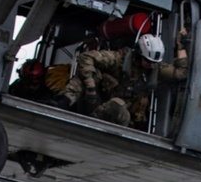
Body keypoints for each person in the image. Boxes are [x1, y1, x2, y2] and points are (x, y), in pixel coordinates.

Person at [59, 30, 188, 129]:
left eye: (154, 62)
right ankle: (62, 102)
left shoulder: (156, 70)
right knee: (91, 74)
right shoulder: (119, 59)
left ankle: (85, 124)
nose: (151, 65)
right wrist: (90, 85)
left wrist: (180, 47)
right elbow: (86, 57)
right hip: (96, 102)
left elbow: (181, 73)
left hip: (122, 117)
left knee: (117, 104)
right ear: (138, 54)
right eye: (148, 61)